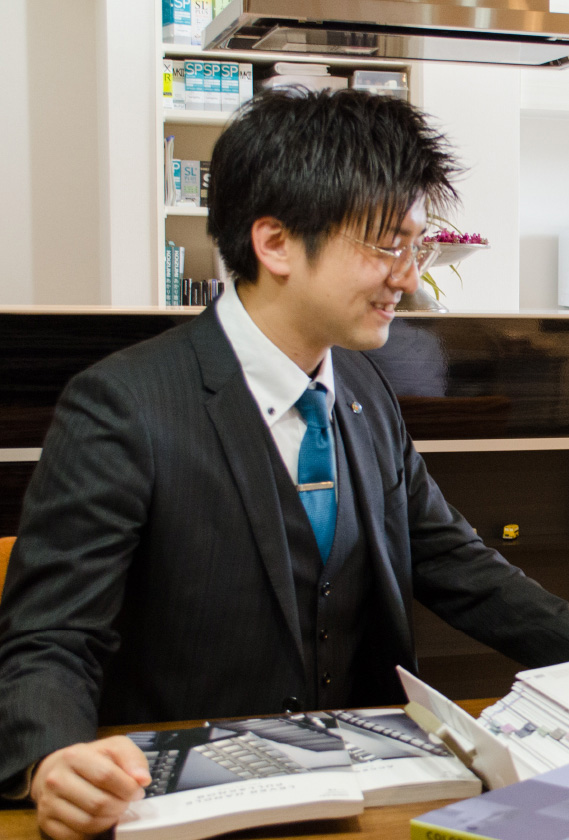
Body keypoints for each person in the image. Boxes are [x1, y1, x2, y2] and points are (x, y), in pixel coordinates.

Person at [2, 87, 569, 840]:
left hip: (369, 799)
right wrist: (52, 758)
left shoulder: (364, 388)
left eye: (416, 246)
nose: (408, 277)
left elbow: (453, 562)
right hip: (188, 803)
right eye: (385, 245)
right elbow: (52, 637)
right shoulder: (122, 405)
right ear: (274, 244)